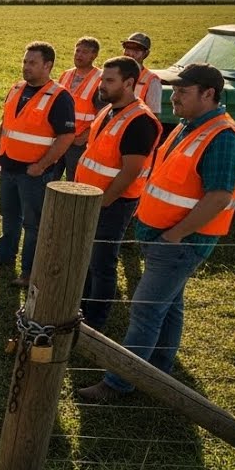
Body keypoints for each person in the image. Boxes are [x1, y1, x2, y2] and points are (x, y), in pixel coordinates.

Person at [77, 63, 235, 402]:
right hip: (165, 240)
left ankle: (119, 382)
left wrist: (175, 234)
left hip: (179, 244)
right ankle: (158, 370)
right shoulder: (191, 126)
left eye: (183, 91)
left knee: (145, 310)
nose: (175, 97)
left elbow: (218, 196)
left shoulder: (224, 137)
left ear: (208, 94)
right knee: (168, 307)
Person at [0, 41, 76, 287]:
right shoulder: (17, 87)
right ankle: (6, 254)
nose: (26, 67)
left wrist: (41, 166)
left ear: (48, 65)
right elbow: (6, 124)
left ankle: (29, 271)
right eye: (25, 61)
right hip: (9, 166)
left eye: (32, 63)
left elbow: (66, 137)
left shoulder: (60, 97)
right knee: (8, 214)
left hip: (33, 174)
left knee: (33, 224)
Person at [73, 56, 162, 332]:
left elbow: (130, 171)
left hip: (112, 203)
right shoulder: (110, 110)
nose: (102, 86)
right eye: (102, 79)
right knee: (88, 259)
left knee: (102, 262)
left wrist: (104, 201)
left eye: (109, 81)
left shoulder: (139, 121)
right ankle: (82, 309)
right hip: (92, 198)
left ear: (129, 83)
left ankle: (95, 320)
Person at [58, 36, 108, 181]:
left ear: (94, 55)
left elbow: (103, 115)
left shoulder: (100, 79)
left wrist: (83, 138)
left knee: (74, 181)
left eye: (84, 52)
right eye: (77, 50)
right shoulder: (66, 74)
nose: (79, 55)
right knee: (50, 179)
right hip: (59, 138)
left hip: (78, 143)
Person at [121, 31, 163, 117]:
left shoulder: (152, 81)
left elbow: (153, 115)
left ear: (146, 53)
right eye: (128, 48)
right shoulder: (114, 73)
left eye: (136, 50)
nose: (130, 54)